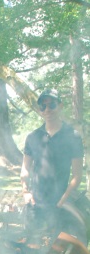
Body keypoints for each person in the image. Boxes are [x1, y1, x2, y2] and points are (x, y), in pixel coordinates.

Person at [20, 88, 85, 242]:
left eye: (52, 105)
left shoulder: (73, 136)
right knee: (32, 245)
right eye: (43, 106)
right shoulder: (33, 137)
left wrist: (63, 199)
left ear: (60, 105)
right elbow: (25, 169)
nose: (47, 109)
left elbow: (77, 175)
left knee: (57, 249)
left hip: (61, 204)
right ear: (39, 109)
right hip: (36, 202)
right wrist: (25, 192)